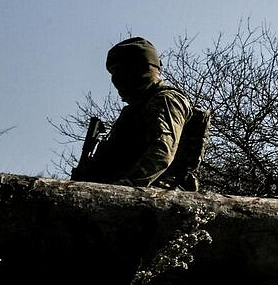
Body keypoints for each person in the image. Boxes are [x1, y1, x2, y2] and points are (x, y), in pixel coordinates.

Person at [72, 36, 195, 188]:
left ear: (138, 69)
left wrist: (124, 187)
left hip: (153, 198)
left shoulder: (166, 99)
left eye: (120, 71)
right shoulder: (137, 109)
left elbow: (162, 151)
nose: (116, 80)